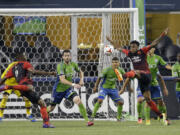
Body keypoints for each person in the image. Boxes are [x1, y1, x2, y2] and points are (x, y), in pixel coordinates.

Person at [107, 28, 169, 125]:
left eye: (134, 46)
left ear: (137, 47)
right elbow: (118, 47)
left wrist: (162, 35)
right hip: (142, 80)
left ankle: (122, 75)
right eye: (131, 46)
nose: (132, 48)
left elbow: (154, 43)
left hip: (146, 74)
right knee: (148, 100)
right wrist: (111, 41)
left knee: (134, 72)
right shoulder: (129, 53)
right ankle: (161, 116)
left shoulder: (143, 51)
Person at [0, 51, 55, 128]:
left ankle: (46, 123)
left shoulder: (13, 68)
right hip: (25, 86)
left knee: (41, 103)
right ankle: (46, 123)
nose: (26, 56)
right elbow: (34, 72)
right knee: (31, 88)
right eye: (25, 55)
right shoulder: (26, 63)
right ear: (20, 57)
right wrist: (49, 73)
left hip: (21, 89)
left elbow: (4, 78)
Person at [47, 50, 94, 126]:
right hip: (58, 90)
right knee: (51, 108)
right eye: (65, 56)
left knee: (77, 100)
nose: (67, 57)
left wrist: (81, 80)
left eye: (68, 55)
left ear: (71, 56)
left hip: (68, 89)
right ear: (62, 57)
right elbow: (62, 80)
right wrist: (73, 84)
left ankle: (87, 121)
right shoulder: (60, 66)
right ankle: (44, 114)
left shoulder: (73, 65)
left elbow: (81, 72)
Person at [137, 47, 171, 125]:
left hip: (154, 84)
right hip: (145, 83)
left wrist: (165, 88)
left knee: (161, 102)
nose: (148, 51)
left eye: (150, 49)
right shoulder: (143, 59)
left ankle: (164, 118)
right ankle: (145, 120)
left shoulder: (157, 59)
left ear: (154, 50)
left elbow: (160, 75)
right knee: (144, 101)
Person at [91, 57, 131, 122]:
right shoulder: (107, 70)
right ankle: (92, 117)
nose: (115, 64)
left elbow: (127, 77)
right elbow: (99, 78)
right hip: (104, 88)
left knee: (121, 102)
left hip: (112, 89)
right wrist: (95, 87)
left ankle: (119, 118)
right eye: (114, 62)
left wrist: (126, 87)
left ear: (119, 63)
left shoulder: (120, 70)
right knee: (100, 100)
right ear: (112, 63)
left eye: (117, 62)